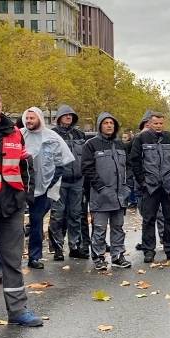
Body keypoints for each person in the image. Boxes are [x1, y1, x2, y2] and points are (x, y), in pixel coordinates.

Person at [0, 86, 43, 327]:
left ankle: (18, 310)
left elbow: (25, 165)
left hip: (12, 206)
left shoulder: (14, 133)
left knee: (13, 260)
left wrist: (26, 196)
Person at [21, 107, 74, 269]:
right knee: (14, 224)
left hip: (43, 189)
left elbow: (60, 163)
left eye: (32, 118)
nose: (29, 121)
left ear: (40, 119)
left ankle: (34, 257)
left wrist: (50, 184)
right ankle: (12, 257)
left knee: (37, 222)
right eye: (27, 118)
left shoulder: (52, 137)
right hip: (20, 187)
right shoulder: (19, 135)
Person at [129, 111, 170, 264]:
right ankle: (148, 251)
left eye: (161, 123)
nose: (158, 126)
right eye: (155, 123)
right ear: (150, 124)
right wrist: (142, 181)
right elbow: (135, 161)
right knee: (148, 219)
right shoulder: (141, 138)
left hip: (168, 185)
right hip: (150, 186)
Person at [82, 112, 132, 271]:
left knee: (118, 227)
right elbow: (87, 168)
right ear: (99, 126)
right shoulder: (91, 144)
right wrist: (101, 188)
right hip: (100, 195)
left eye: (111, 122)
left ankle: (118, 256)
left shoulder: (120, 145)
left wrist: (127, 186)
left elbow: (128, 168)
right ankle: (98, 256)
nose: (109, 125)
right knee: (99, 228)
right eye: (106, 123)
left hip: (119, 196)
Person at [48, 105, 89, 261]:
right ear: (59, 117)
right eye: (65, 115)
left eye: (71, 115)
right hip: (59, 181)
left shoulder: (80, 135)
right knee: (57, 215)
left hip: (77, 181)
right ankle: (58, 248)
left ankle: (74, 246)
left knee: (75, 215)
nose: (68, 117)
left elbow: (85, 158)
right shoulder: (52, 135)